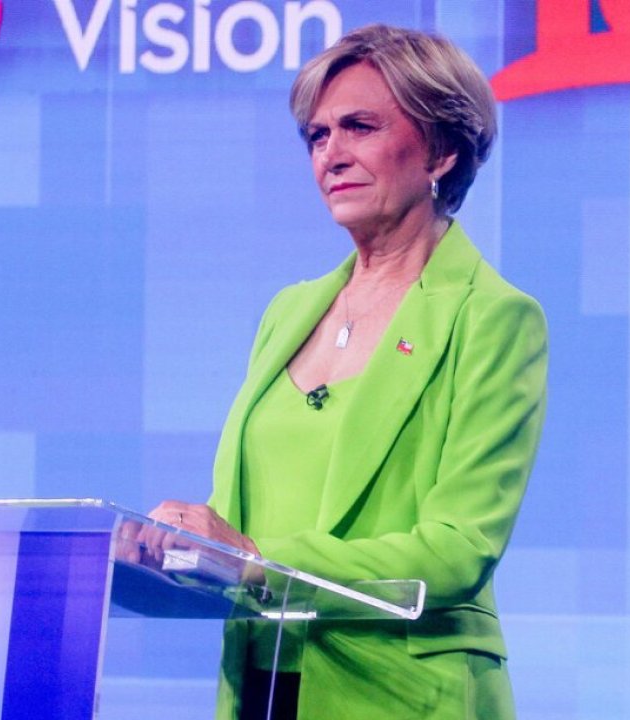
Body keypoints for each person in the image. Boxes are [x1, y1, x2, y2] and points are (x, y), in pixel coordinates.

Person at [145, 24, 548, 720]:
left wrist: (257, 559)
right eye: (317, 136)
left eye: (359, 127)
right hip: (263, 681)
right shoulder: (289, 310)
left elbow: (458, 550)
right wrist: (180, 548)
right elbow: (238, 524)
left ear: (442, 149)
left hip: (401, 691)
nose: (332, 154)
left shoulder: (493, 318)